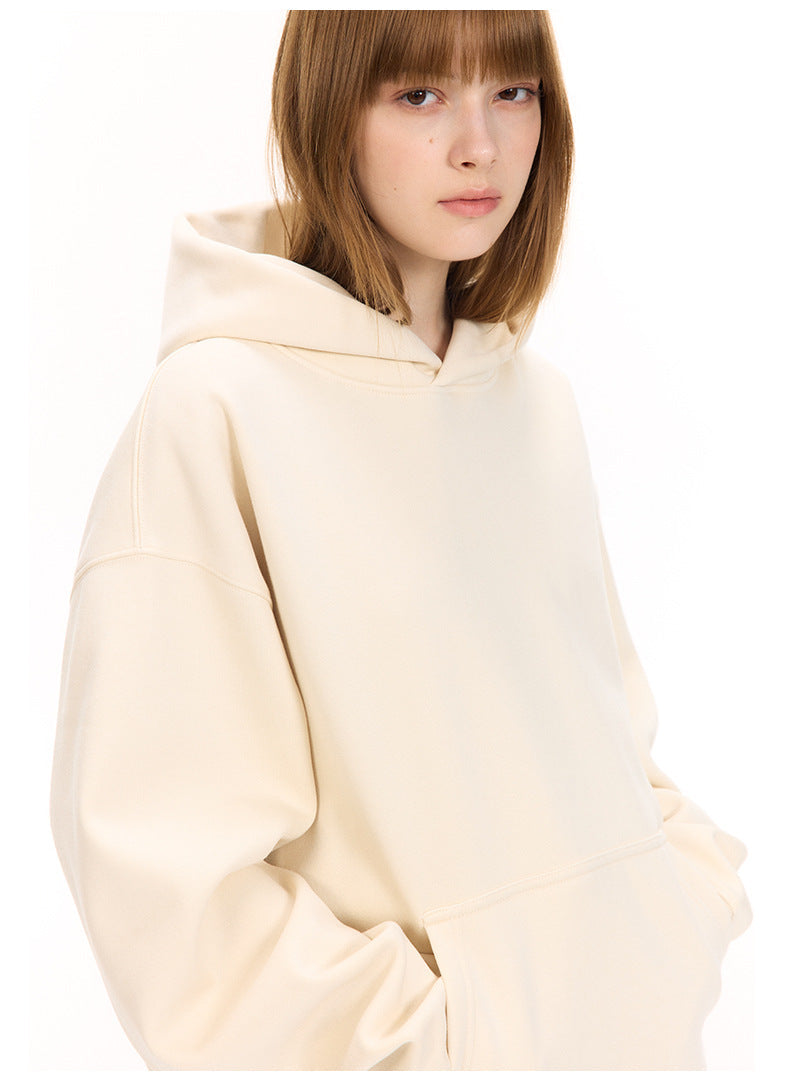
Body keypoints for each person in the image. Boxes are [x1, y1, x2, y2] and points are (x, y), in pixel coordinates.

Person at [49, 9, 751, 1071]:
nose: (479, 144)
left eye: (512, 92)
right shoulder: (215, 413)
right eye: (419, 95)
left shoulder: (534, 406)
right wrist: (437, 1044)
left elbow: (612, 746)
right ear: (329, 113)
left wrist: (675, 920)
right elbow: (171, 893)